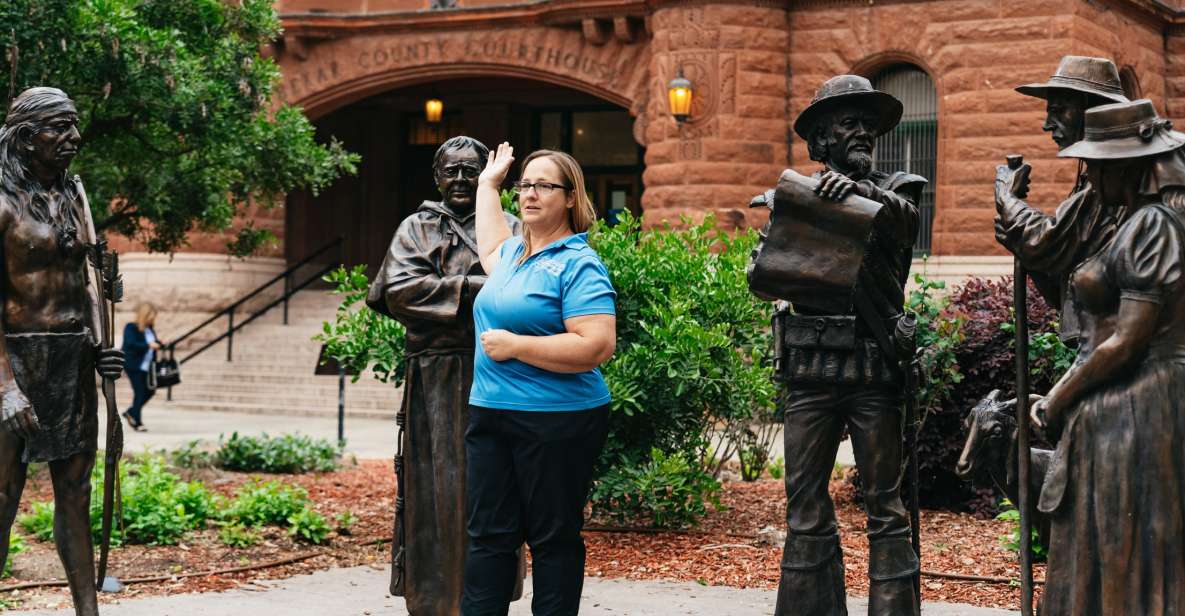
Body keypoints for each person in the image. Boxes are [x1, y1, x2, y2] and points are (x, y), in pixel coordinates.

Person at [752, 75, 927, 616]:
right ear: (821, 141)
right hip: (810, 370)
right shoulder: (796, 201)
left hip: (874, 373)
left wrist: (856, 193)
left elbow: (903, 220)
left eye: (867, 125)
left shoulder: (900, 187)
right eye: (848, 124)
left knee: (884, 506)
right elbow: (767, 275)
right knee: (803, 502)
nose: (862, 133)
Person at [1002, 98, 1185, 615]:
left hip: (1142, 404)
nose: (1090, 177)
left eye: (1097, 166)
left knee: (1128, 535)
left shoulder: (1154, 226)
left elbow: (1128, 339)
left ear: (1120, 166)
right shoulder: (1127, 222)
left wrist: (1058, 399)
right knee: (1105, 534)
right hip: (1115, 403)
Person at [366, 136, 522, 615]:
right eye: (450, 171)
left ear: (486, 177)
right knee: (435, 491)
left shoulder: (511, 225)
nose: (459, 180)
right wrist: (480, 286)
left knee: (491, 486)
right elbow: (398, 290)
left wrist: (448, 292)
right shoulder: (417, 227)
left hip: (497, 368)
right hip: (433, 377)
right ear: (437, 177)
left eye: (469, 171)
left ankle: (487, 600)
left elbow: (527, 289)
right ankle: (434, 602)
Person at [463, 144, 616, 615]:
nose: (529, 194)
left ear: (570, 197)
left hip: (557, 420)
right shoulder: (511, 253)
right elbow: (487, 244)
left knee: (552, 538)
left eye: (544, 185)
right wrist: (489, 184)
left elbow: (596, 345)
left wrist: (517, 346)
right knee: (488, 536)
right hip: (491, 413)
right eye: (524, 185)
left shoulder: (578, 263)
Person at [0, 87, 125, 616]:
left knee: (75, 492)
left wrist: (101, 345)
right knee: (4, 497)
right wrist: (5, 386)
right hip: (16, 360)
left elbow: (85, 282)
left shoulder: (75, 199)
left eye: (74, 125)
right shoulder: (2, 204)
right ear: (28, 138)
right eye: (61, 127)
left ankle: (87, 612)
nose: (75, 138)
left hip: (72, 359)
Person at [995, 56, 1129, 344]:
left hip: (1115, 345)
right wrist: (1023, 248)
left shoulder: (1114, 177)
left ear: (1092, 110)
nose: (1047, 125)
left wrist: (1006, 195)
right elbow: (1064, 285)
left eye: (1059, 110)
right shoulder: (1092, 177)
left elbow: (1044, 238)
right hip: (1097, 340)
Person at [121, 302, 161, 431]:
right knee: (140, 392)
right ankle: (137, 422)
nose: (153, 319)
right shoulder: (131, 327)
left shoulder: (150, 329)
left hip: (147, 366)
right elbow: (130, 343)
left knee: (150, 390)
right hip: (133, 365)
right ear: (145, 315)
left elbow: (153, 343)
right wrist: (149, 345)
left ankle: (131, 412)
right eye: (151, 316)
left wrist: (160, 343)